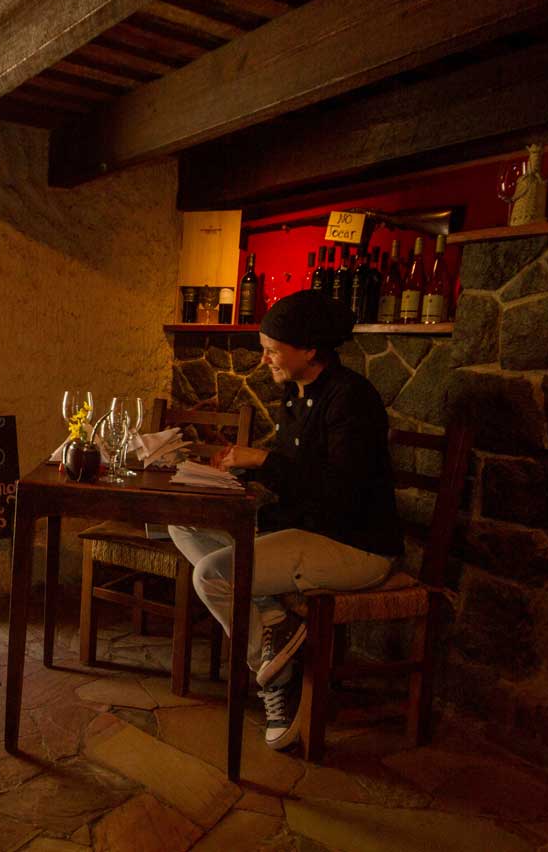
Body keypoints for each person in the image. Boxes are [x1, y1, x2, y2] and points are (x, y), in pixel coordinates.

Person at [169, 289, 402, 751]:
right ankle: (274, 622)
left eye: (273, 349)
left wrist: (264, 462)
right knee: (185, 523)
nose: (265, 359)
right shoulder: (295, 398)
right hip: (307, 530)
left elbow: (341, 492)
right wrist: (252, 486)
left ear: (309, 350)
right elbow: (301, 482)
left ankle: (275, 679)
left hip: (354, 545)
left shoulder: (351, 398)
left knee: (213, 576)